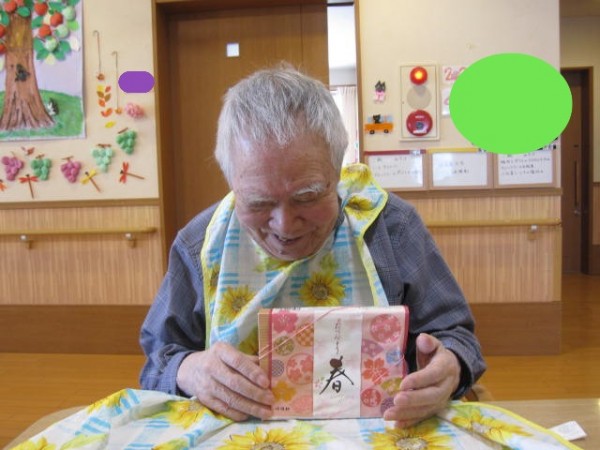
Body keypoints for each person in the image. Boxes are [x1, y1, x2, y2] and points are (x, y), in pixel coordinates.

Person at [140, 65, 486, 428]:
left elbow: (457, 337)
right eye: (258, 202)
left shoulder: (390, 228)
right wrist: (190, 369)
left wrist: (449, 367)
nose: (284, 226)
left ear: (338, 173)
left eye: (307, 196)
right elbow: (158, 360)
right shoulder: (200, 244)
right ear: (232, 183)